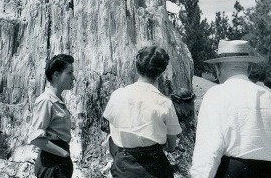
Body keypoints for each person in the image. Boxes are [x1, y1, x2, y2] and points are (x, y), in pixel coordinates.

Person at [190, 40, 271, 178]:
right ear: (249, 68)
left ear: (218, 68)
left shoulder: (216, 94)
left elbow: (208, 149)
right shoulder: (267, 96)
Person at [103, 46, 182, 178]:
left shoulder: (117, 95)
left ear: (137, 67)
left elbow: (110, 129)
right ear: (161, 72)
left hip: (124, 165)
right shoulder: (164, 103)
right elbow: (172, 144)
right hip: (154, 166)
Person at [28, 54, 76, 178]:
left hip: (58, 161)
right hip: (52, 163)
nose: (73, 77)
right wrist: (63, 154)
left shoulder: (57, 100)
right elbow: (36, 138)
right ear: (56, 75)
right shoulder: (46, 101)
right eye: (69, 73)